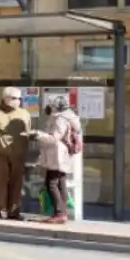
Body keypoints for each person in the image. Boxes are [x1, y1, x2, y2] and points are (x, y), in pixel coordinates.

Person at [0, 87, 34, 220]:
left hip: (18, 153)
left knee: (16, 182)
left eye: (20, 99)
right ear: (5, 98)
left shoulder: (24, 114)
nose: (18, 101)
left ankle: (14, 211)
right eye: (15, 98)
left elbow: (28, 132)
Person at [35, 95, 84, 223]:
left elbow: (55, 137)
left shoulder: (60, 118)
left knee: (51, 183)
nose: (48, 108)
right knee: (60, 182)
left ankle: (60, 213)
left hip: (57, 154)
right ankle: (63, 212)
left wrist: (38, 135)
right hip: (61, 154)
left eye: (50, 105)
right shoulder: (70, 116)